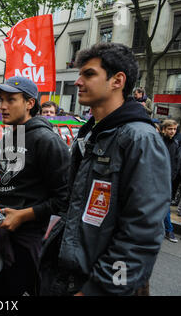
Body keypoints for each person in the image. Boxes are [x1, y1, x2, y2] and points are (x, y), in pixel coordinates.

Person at [39, 43, 171, 296]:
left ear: (117, 80)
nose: (78, 82)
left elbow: (142, 234)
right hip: (65, 277)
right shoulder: (88, 134)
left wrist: (100, 289)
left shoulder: (140, 139)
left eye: (88, 74)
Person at [0, 76, 70, 296]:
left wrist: (24, 215)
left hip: (23, 246)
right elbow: (16, 183)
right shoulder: (8, 137)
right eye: (1, 99)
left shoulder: (48, 142)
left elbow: (65, 198)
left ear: (29, 103)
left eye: (11, 100)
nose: (3, 106)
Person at [160, 119, 181, 243]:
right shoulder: (158, 141)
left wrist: (171, 178)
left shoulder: (176, 144)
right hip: (155, 179)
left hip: (168, 181)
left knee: (166, 205)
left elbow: (176, 164)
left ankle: (168, 230)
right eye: (170, 129)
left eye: (174, 129)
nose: (172, 131)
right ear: (164, 130)